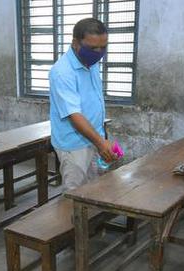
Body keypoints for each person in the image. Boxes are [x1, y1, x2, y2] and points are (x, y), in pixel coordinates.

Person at [49, 18, 117, 190]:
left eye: (103, 47)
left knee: (94, 191)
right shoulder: (62, 72)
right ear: (75, 43)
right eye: (93, 48)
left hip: (93, 138)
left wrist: (100, 140)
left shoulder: (91, 62)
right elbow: (74, 115)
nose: (99, 52)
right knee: (75, 197)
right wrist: (101, 144)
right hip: (74, 146)